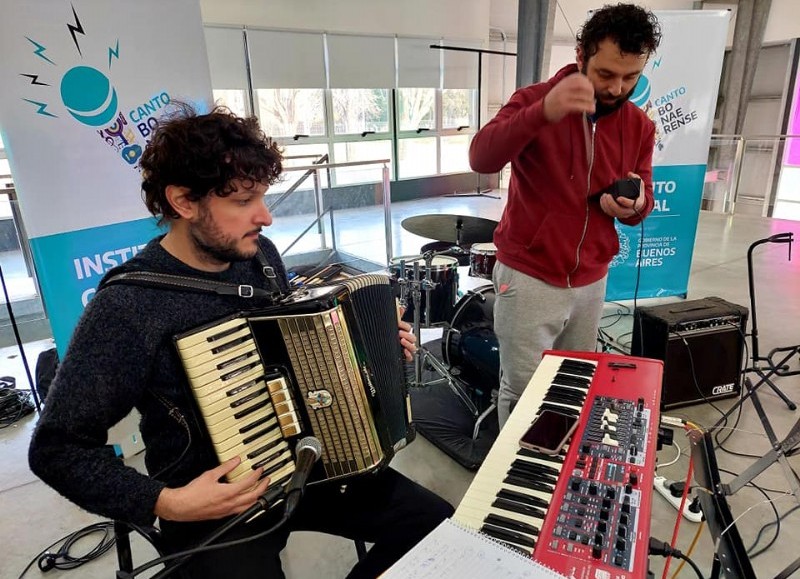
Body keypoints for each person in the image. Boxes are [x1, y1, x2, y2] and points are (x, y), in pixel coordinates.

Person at [28, 104, 453, 578]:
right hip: (213, 502)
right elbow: (56, 448)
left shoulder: (260, 258)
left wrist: (371, 353)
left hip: (308, 465)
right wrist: (167, 502)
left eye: (263, 196)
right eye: (244, 200)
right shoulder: (128, 307)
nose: (266, 217)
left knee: (436, 526)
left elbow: (301, 353)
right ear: (184, 202)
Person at [469, 3, 662, 426]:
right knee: (524, 394)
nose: (617, 88)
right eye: (606, 74)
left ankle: (561, 473)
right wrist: (542, 113)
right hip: (529, 276)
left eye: (631, 77)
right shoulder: (533, 101)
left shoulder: (639, 126)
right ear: (580, 55)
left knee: (576, 384)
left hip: (593, 279)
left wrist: (634, 205)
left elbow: (641, 198)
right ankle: (517, 483)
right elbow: (481, 157)